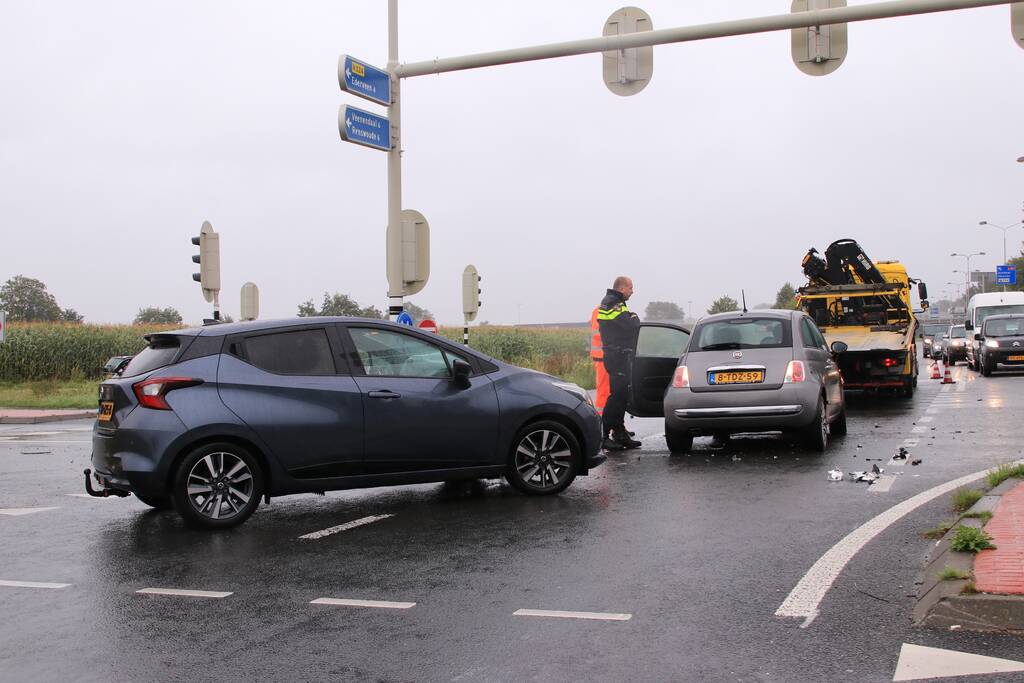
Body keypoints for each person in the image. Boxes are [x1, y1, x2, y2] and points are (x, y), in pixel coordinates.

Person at [597, 276, 642, 451]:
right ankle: (604, 436)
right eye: (631, 287)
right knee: (616, 397)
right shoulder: (611, 302)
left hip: (620, 356)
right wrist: (634, 316)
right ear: (622, 288)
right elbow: (631, 325)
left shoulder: (617, 302)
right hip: (616, 356)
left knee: (622, 396)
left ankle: (619, 433)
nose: (632, 291)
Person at [589, 306, 610, 414]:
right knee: (604, 391)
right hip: (602, 357)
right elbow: (600, 334)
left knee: (609, 391)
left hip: (605, 357)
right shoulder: (602, 311)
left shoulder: (599, 310)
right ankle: (602, 420)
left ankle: (613, 424)